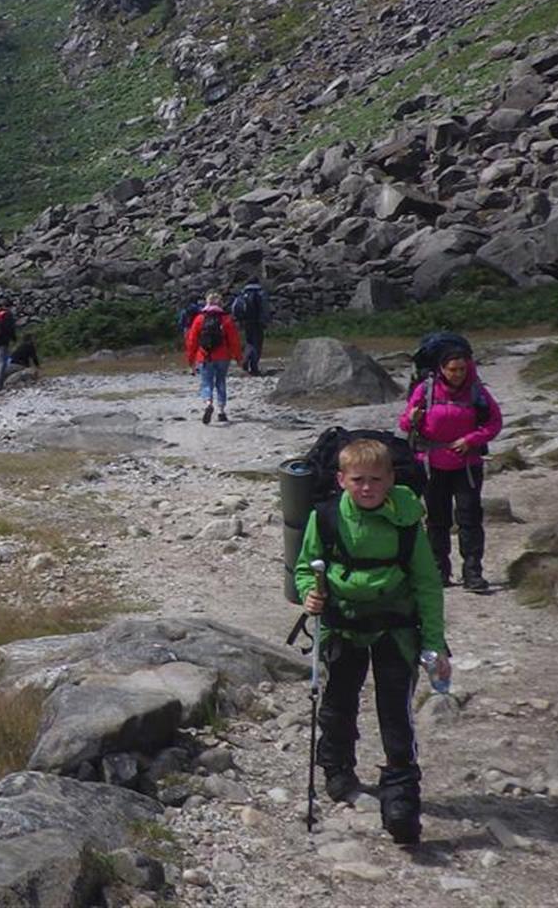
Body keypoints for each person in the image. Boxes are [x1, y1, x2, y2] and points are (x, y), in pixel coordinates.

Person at [295, 438, 449, 846]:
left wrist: (435, 643)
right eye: (358, 480)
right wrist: (310, 590)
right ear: (342, 480)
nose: (367, 488)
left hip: (396, 630)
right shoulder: (325, 519)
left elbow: (428, 585)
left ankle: (400, 797)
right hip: (343, 626)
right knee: (338, 703)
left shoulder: (407, 522)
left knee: (395, 711)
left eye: (376, 480)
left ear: (391, 479)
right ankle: (337, 769)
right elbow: (304, 567)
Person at [398, 343, 502, 591]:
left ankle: (473, 573)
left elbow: (494, 422)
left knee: (469, 518)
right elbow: (404, 424)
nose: (458, 374)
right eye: (453, 369)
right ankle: (438, 571)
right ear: (441, 369)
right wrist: (411, 419)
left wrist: (471, 440)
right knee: (437, 520)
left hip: (467, 464)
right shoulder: (426, 390)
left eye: (462, 369)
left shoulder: (476, 391)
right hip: (432, 464)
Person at [183, 292, 242, 424]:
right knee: (221, 382)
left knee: (206, 382)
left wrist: (190, 359)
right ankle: (221, 411)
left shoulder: (199, 319)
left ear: (207, 303)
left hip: (204, 356)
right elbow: (234, 341)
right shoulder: (226, 319)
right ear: (220, 304)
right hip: (223, 356)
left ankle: (208, 403)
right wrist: (238, 358)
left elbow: (192, 341)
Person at [230, 281, 269, 376]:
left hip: (245, 322)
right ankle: (254, 367)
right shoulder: (260, 293)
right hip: (257, 322)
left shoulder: (243, 293)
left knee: (249, 342)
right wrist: (265, 321)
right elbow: (265, 309)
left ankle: (245, 361)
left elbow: (235, 308)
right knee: (257, 344)